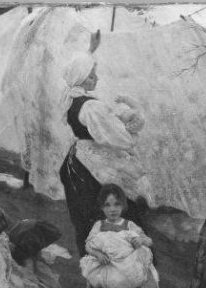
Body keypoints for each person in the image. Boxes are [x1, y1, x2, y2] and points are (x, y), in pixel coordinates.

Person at [59, 51, 147, 257]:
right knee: (112, 213)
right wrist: (132, 124)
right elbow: (122, 139)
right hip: (92, 166)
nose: (96, 79)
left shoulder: (73, 100)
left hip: (77, 161)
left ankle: (97, 261)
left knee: (87, 219)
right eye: (91, 76)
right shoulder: (90, 106)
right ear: (80, 78)